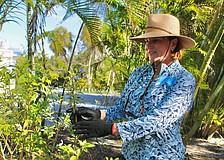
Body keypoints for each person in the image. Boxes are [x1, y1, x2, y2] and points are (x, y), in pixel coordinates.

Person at [70, 14, 196, 160]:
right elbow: (122, 108)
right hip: (130, 154)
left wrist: (111, 129)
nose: (148, 46)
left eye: (156, 41)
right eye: (147, 41)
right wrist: (99, 114)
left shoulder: (184, 79)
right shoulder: (139, 73)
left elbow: (159, 120)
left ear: (173, 44)